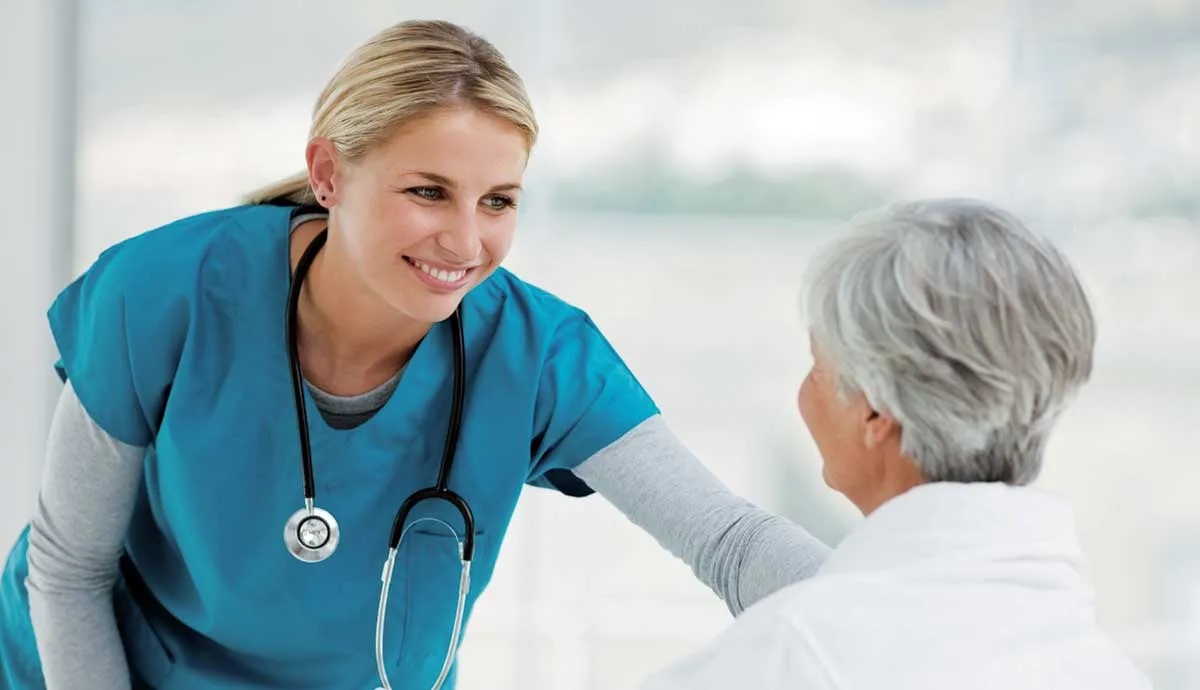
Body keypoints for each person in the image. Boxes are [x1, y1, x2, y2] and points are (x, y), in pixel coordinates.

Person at [0, 19, 831, 690]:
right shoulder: (164, 292)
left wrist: (913, 599)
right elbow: (68, 571)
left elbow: (729, 542)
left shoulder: (539, 355)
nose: (466, 241)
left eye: (497, 200)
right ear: (328, 172)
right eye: (427, 191)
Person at [639, 198, 1153, 690]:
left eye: (817, 368)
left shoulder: (789, 657)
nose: (804, 392)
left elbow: (840, 638)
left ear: (874, 411)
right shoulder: (1110, 673)